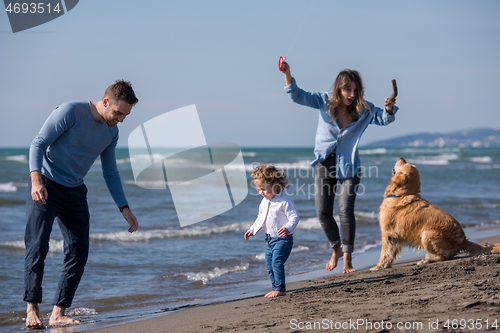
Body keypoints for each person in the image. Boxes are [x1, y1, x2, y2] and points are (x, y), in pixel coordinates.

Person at [24, 80, 140, 328]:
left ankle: (58, 313)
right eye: (118, 112)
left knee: (79, 249)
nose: (120, 119)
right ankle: (31, 309)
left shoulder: (112, 133)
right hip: (46, 183)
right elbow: (38, 143)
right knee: (37, 245)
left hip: (75, 190)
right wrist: (36, 181)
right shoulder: (71, 112)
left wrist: (124, 208)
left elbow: (110, 172)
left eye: (125, 115)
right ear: (105, 101)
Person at [280, 61, 398, 274]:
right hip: (324, 163)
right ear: (339, 88)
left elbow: (383, 118)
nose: (351, 94)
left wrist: (389, 108)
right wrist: (287, 73)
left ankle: (348, 260)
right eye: (347, 90)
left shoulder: (364, 109)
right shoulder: (324, 101)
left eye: (355, 90)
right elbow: (297, 95)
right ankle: (336, 249)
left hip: (349, 166)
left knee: (345, 211)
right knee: (322, 212)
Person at [244, 163, 299, 298]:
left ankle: (280, 288)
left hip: (283, 240)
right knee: (269, 265)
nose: (261, 192)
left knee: (277, 263)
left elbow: (294, 217)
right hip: (269, 240)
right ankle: (275, 286)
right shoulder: (263, 202)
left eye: (263, 189)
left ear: (275, 186)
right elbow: (260, 218)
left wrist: (288, 228)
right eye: (258, 189)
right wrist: (252, 230)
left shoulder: (285, 201)